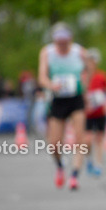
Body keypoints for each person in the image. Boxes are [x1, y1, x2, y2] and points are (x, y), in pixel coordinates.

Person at [38, 23, 90, 190]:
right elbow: (42, 77)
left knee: (79, 140)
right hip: (58, 99)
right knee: (54, 144)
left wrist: (85, 85)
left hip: (76, 98)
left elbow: (89, 69)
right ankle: (60, 166)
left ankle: (74, 176)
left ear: (70, 40)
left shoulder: (79, 52)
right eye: (59, 42)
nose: (61, 45)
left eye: (64, 42)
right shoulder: (47, 53)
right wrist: (51, 86)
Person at [83, 48, 106, 177]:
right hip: (87, 113)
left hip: (100, 111)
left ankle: (98, 165)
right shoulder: (83, 76)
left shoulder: (102, 76)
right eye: (88, 61)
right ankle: (89, 160)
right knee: (87, 140)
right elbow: (80, 93)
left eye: (92, 61)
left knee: (99, 138)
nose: (90, 64)